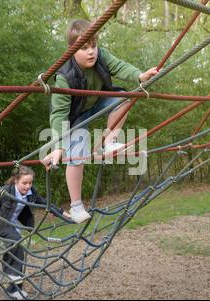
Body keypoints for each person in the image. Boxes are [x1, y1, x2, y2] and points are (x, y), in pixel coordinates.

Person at [42, 19, 158, 224]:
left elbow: (120, 66)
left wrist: (140, 76)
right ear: (71, 49)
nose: (91, 52)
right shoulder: (64, 76)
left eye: (94, 46)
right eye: (84, 47)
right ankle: (76, 206)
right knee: (77, 154)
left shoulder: (101, 57)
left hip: (96, 103)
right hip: (74, 117)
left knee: (124, 98)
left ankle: (109, 141)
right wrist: (59, 146)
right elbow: (58, 115)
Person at [0, 165, 69, 300]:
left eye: (30, 183)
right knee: (15, 243)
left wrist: (63, 213)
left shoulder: (30, 192)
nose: (28, 186)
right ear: (16, 181)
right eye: (24, 183)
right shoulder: (5, 192)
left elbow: (45, 203)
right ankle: (13, 285)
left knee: (17, 249)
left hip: (13, 223)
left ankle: (14, 286)